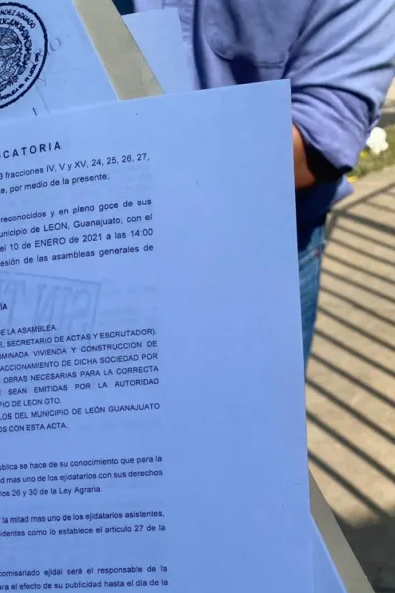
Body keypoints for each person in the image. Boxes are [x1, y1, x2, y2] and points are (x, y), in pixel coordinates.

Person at [119, 0, 395, 361]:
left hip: (255, 248)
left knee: (233, 391)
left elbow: (322, 139)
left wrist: (125, 161)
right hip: (97, 236)